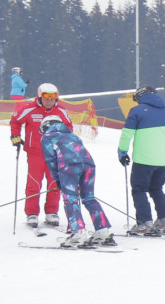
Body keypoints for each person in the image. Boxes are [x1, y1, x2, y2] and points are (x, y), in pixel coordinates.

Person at [38, 117, 115, 247]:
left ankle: (78, 233)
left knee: (71, 199)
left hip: (68, 166)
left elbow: (51, 160)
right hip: (89, 165)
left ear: (46, 126)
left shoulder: (47, 136)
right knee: (89, 198)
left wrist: (57, 179)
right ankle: (103, 231)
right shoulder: (73, 135)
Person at [119, 87, 165, 236]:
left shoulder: (137, 111)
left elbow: (127, 133)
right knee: (156, 188)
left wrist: (122, 152)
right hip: (164, 160)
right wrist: (162, 154)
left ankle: (144, 223)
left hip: (144, 159)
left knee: (139, 189)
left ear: (140, 98)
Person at [9, 83, 71, 228]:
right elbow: (15, 121)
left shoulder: (61, 110)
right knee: (34, 183)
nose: (50, 100)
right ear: (40, 96)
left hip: (54, 152)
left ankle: (51, 212)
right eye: (46, 97)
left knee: (54, 183)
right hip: (35, 152)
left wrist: (66, 143)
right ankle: (32, 213)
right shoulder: (29, 109)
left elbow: (68, 127)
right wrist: (15, 136)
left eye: (53, 97)